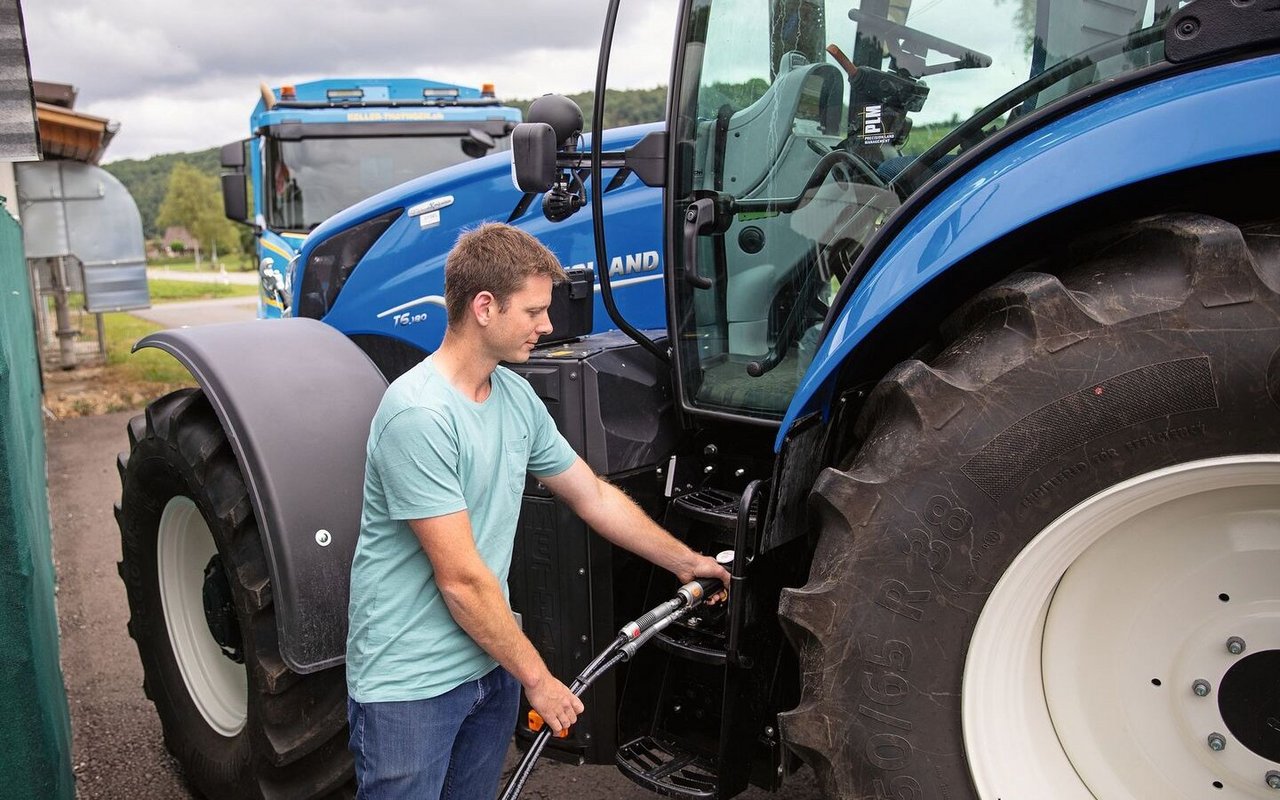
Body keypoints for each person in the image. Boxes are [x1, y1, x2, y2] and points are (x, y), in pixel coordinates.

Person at [345, 222, 730, 799]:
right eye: (533, 311)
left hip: (486, 664)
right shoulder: (419, 416)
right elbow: (462, 581)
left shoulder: (515, 396)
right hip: (411, 687)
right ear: (484, 307)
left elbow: (592, 495)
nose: (547, 326)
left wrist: (684, 561)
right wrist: (539, 680)